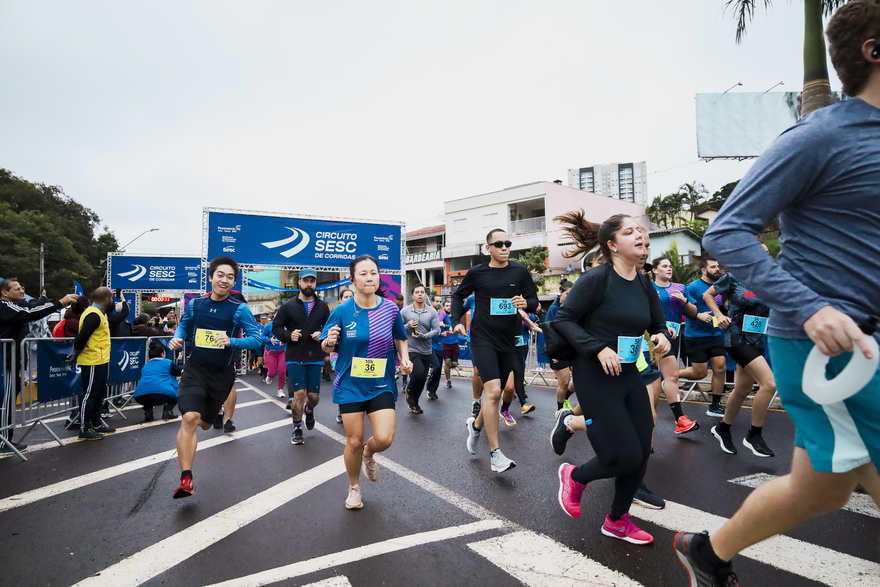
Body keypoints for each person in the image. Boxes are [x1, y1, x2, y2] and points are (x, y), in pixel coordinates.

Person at [674, 4, 880, 583]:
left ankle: (708, 551)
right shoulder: (820, 136)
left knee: (820, 490)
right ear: (873, 50)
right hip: (835, 353)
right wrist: (810, 306)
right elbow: (726, 231)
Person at [549, 211, 670, 545]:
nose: (640, 237)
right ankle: (575, 475)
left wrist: (662, 336)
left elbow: (657, 323)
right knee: (625, 455)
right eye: (630, 232)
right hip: (596, 374)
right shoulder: (597, 279)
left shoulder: (644, 282)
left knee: (642, 449)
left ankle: (617, 520)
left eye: (642, 232)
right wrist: (598, 348)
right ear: (613, 244)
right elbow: (564, 319)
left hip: (629, 372)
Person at [320, 255, 412, 509]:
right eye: (362, 273)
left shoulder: (390, 309)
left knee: (384, 438)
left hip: (381, 383)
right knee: (353, 440)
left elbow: (400, 337)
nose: (369, 277)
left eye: (373, 272)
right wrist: (328, 342)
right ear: (352, 279)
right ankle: (354, 487)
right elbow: (326, 347)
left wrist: (404, 358)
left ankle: (368, 455)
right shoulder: (341, 311)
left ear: (379, 277)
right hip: (349, 384)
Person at [168, 257, 261, 499]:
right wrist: (177, 338)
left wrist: (233, 341)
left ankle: (210, 416)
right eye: (221, 275)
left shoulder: (239, 309)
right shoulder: (195, 305)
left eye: (230, 277)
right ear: (211, 277)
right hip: (195, 369)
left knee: (206, 423)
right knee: (189, 418)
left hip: (221, 375)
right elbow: (184, 326)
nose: (225, 280)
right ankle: (186, 479)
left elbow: (256, 338)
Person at [452, 229, 539, 473]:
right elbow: (458, 296)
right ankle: (495, 454)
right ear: (487, 247)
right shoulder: (477, 272)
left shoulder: (519, 272)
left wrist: (526, 304)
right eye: (498, 244)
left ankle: (476, 427)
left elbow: (534, 299)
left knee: (498, 392)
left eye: (508, 243)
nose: (504, 247)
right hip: (481, 338)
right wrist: (455, 321)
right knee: (492, 393)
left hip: (508, 340)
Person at [703, 252, 777, 458]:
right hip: (736, 338)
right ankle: (754, 435)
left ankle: (723, 429)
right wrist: (719, 315)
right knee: (769, 384)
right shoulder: (735, 276)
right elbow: (708, 294)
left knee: (742, 389)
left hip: (758, 340)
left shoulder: (771, 280)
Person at [0, 280, 77, 454]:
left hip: (9, 360)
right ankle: (3, 442)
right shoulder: (5, 306)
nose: (22, 291)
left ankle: (5, 439)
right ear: (5, 293)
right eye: (17, 289)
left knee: (10, 396)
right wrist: (60, 302)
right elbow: (29, 313)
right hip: (5, 361)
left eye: (22, 288)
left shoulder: (10, 306)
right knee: (5, 401)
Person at [272, 269, 330, 445]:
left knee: (313, 397)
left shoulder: (322, 306)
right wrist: (289, 336)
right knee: (299, 393)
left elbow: (329, 327)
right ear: (299, 283)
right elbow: (276, 328)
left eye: (312, 281)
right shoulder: (288, 306)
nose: (309, 284)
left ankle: (309, 410)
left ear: (315, 283)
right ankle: (297, 428)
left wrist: (322, 333)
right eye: (306, 281)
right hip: (295, 355)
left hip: (314, 355)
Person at [651, 257, 700, 434]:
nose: (669, 269)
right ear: (655, 270)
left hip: (673, 335)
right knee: (651, 381)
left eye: (670, 266)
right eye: (664, 266)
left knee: (671, 376)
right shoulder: (649, 288)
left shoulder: (680, 288)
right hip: (652, 336)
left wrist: (684, 301)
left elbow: (693, 313)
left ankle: (680, 420)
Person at [678, 258, 728, 417]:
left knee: (720, 367)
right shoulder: (692, 288)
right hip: (696, 336)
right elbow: (684, 309)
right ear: (704, 270)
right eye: (713, 267)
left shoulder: (720, 287)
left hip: (715, 334)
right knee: (700, 373)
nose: (717, 269)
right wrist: (698, 315)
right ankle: (670, 375)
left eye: (718, 267)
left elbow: (722, 306)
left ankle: (715, 405)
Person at [69, 287, 118, 441]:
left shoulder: (99, 313)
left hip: (100, 359)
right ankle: (84, 428)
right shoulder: (93, 314)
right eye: (112, 298)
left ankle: (97, 423)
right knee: (89, 395)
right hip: (91, 361)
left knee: (98, 394)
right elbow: (81, 338)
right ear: (108, 299)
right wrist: (76, 353)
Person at [400, 284, 440, 414]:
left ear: (425, 295)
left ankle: (414, 403)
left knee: (422, 378)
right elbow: (397, 329)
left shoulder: (431, 311)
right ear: (413, 295)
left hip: (426, 349)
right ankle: (410, 391)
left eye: (422, 292)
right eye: (417, 292)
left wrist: (424, 336)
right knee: (418, 374)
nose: (420, 294)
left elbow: (437, 330)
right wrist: (407, 325)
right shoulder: (405, 312)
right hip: (410, 348)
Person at [546, 282, 576, 412]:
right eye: (567, 294)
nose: (570, 297)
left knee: (581, 379)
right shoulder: (553, 309)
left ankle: (566, 398)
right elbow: (549, 330)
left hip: (573, 348)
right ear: (561, 292)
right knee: (564, 382)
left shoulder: (574, 306)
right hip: (558, 350)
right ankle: (560, 410)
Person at [134, 341, 180, 421]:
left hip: (140, 396)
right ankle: (168, 411)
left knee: (149, 389)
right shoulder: (168, 363)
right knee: (181, 391)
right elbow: (179, 372)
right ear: (162, 354)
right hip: (163, 395)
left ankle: (148, 411)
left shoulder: (146, 365)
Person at [332, 288, 354, 423]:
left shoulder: (360, 313)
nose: (349, 298)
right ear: (340, 299)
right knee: (344, 380)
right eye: (346, 296)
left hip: (356, 355)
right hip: (338, 354)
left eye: (351, 296)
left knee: (355, 381)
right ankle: (342, 409)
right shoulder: (337, 313)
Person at [424, 294, 445, 400]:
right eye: (437, 301)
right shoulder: (427, 313)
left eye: (440, 301)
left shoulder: (443, 314)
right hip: (429, 345)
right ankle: (429, 387)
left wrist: (446, 329)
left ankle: (433, 390)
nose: (439, 303)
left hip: (440, 346)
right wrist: (436, 328)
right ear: (432, 302)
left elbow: (449, 326)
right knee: (435, 367)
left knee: (438, 369)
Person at [261, 313, 287, 398]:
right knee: (272, 373)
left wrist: (285, 342)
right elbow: (262, 337)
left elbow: (289, 336)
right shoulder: (269, 326)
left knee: (282, 371)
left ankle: (280, 390)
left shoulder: (286, 326)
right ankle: (269, 375)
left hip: (282, 351)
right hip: (270, 352)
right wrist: (269, 340)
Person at [440, 300, 459, 388]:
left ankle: (446, 368)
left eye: (450, 305)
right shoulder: (440, 317)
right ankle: (448, 380)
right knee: (447, 361)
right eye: (447, 305)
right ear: (443, 307)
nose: (449, 307)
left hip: (454, 342)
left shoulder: (455, 318)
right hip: (445, 342)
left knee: (454, 364)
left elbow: (458, 328)